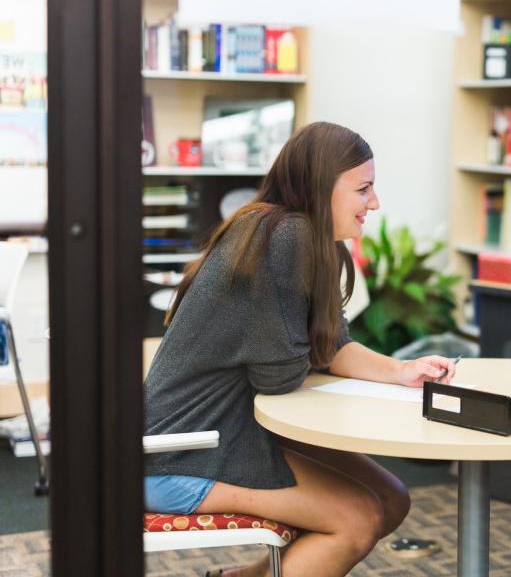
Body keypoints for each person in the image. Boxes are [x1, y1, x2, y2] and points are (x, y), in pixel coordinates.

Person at [143, 122, 458, 577]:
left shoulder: (302, 237)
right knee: (357, 519)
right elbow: (278, 377)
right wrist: (306, 347)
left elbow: (330, 345)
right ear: (318, 187)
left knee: (391, 500)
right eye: (363, 189)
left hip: (230, 434)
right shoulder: (282, 237)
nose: (375, 202)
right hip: (184, 453)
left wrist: (400, 370)